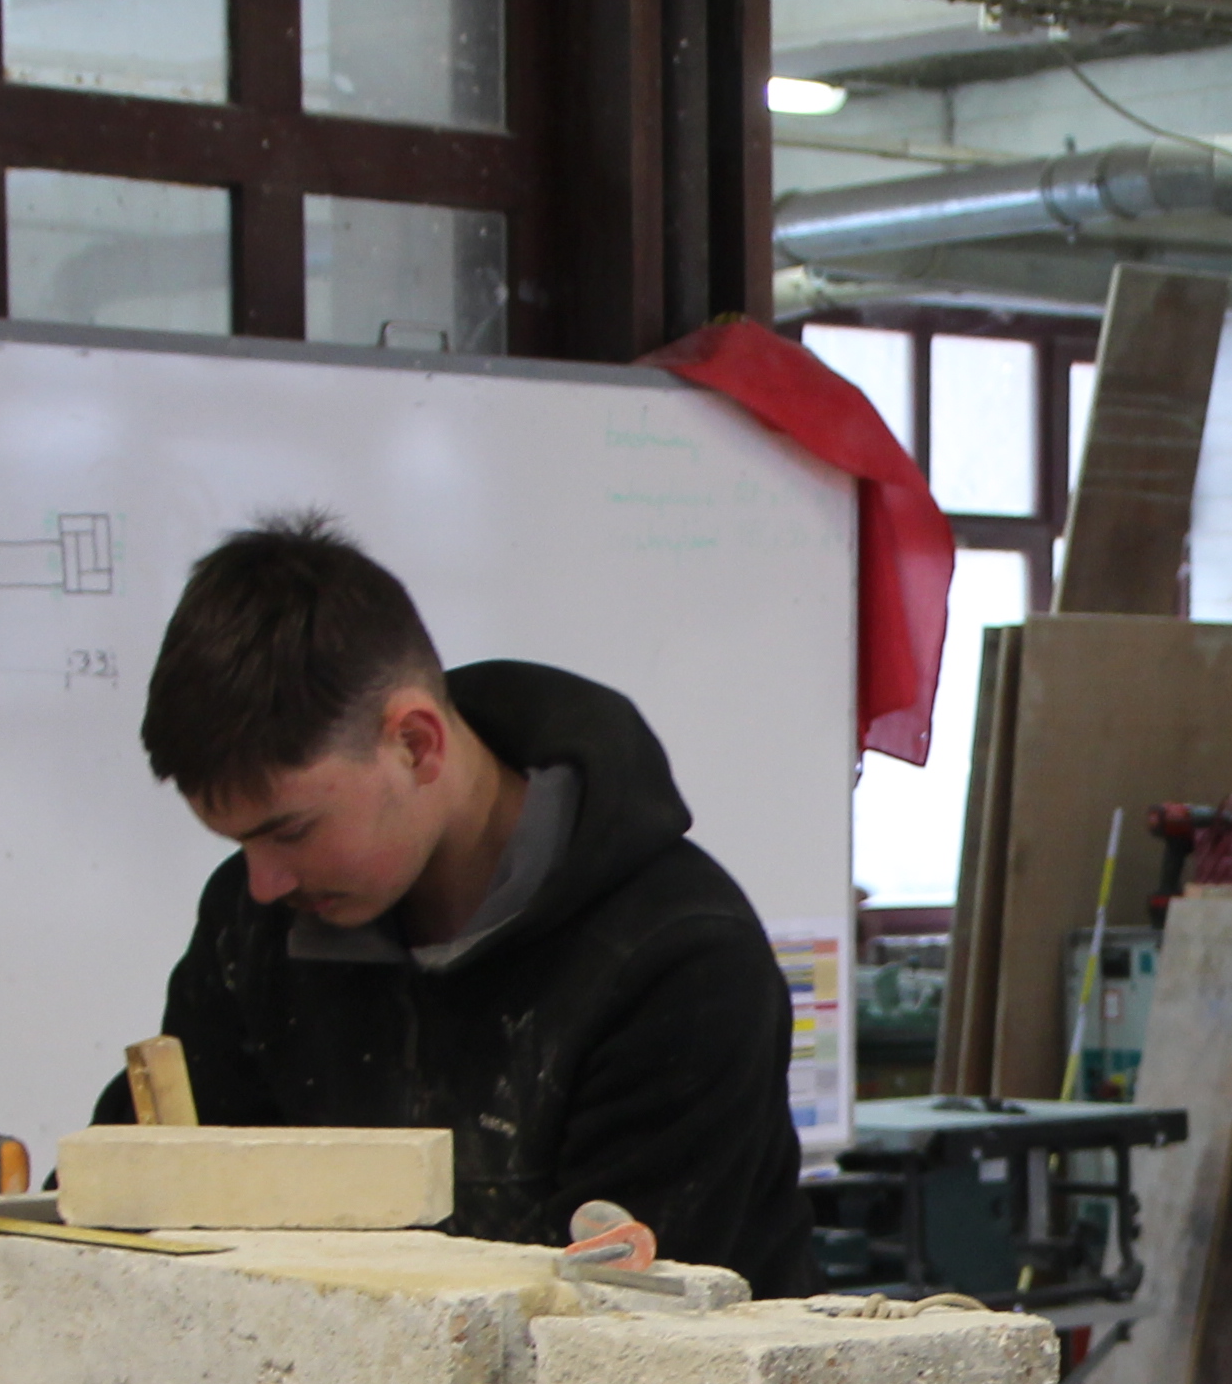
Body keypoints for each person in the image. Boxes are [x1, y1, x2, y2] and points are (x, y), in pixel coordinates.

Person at [98, 513, 820, 1298]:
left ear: (415, 743)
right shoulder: (259, 926)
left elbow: (615, 1337)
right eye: (240, 845)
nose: (265, 881)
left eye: (291, 831)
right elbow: (159, 1199)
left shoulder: (679, 961)